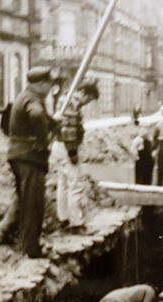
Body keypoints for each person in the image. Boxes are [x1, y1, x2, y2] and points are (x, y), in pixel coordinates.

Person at [0, 66, 59, 257]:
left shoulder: (26, 96)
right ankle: (30, 249)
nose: (51, 89)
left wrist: (54, 123)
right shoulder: (32, 100)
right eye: (49, 85)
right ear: (41, 84)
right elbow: (36, 115)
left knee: (22, 199)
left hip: (18, 155)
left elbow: (42, 117)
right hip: (29, 158)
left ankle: (4, 232)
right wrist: (43, 142)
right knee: (33, 205)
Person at [51, 78, 100, 230]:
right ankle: (77, 223)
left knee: (63, 184)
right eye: (89, 99)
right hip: (66, 147)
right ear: (84, 93)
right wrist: (73, 152)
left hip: (59, 146)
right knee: (74, 185)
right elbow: (68, 130)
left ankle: (63, 218)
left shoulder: (65, 99)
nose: (87, 103)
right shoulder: (72, 103)